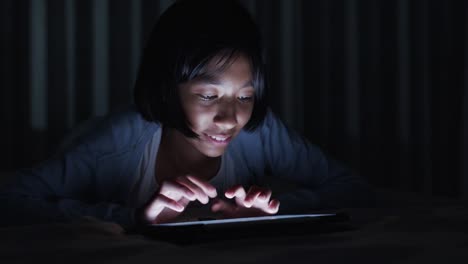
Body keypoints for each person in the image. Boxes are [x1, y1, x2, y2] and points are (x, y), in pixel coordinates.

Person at [0, 0, 374, 229]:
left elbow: (351, 187)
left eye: (246, 96)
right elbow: (13, 199)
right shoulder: (117, 141)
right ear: (167, 88)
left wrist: (275, 212)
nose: (230, 118)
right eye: (209, 95)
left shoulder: (259, 131)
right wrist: (134, 219)